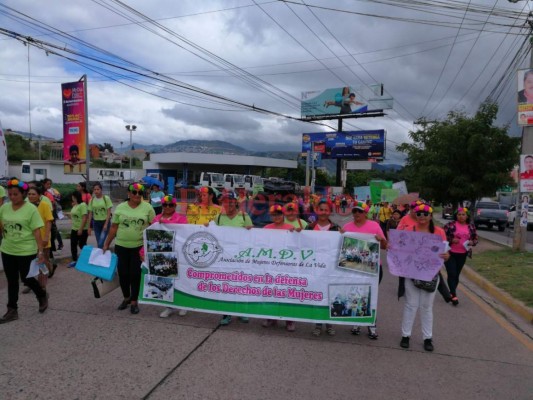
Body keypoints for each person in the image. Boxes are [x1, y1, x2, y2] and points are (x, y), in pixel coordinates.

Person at [397, 203, 450, 352]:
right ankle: (405, 335)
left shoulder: (439, 232)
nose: (421, 216)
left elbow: (445, 253)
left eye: (425, 214)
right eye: (418, 213)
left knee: (426, 307)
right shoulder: (408, 230)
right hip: (412, 273)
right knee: (410, 305)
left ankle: (427, 338)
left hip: (431, 274)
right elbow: (400, 248)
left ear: (430, 216)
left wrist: (446, 256)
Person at [103, 183, 155, 314]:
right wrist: (106, 243)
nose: (137, 195)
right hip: (121, 246)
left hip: (138, 247)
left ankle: (134, 301)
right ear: (129, 193)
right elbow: (114, 227)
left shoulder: (148, 208)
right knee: (123, 274)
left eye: (140, 193)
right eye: (134, 192)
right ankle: (126, 298)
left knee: (135, 274)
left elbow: (154, 227)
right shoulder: (120, 207)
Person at [0, 179, 48, 323]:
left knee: (26, 278)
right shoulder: (4, 208)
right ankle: (12, 310)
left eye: (16, 194)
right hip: (7, 249)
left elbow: (37, 232)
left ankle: (41, 294)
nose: (13, 197)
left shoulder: (31, 209)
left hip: (26, 250)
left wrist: (40, 252)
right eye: (10, 194)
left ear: (23, 194)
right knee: (12, 280)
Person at [342, 201, 387, 339]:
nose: (357, 214)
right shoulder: (347, 227)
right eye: (355, 211)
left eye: (360, 211)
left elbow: (385, 245)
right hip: (353, 265)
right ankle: (357, 322)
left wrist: (380, 240)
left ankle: (371, 324)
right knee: (356, 293)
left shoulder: (374, 226)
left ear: (365, 213)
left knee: (370, 295)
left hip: (372, 266)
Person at [216, 192, 253, 326]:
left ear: (236, 202)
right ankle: (226, 314)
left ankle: (242, 312)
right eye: (226, 201)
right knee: (226, 286)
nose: (229, 203)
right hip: (224, 258)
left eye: (231, 201)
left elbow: (253, 235)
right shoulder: (219, 217)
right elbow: (213, 233)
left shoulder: (244, 216)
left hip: (240, 257)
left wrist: (250, 229)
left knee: (241, 284)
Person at [306, 199, 340, 337]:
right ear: (317, 210)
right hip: (315, 267)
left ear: (330, 211)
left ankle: (329, 324)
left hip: (330, 268)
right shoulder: (309, 227)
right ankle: (318, 324)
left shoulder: (336, 228)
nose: (323, 212)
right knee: (317, 295)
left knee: (330, 295)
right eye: (321, 209)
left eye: (326, 210)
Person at [151, 195, 188, 319]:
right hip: (162, 254)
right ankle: (169, 307)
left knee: (180, 280)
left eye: (170, 205)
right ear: (162, 206)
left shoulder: (182, 219)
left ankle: (183, 304)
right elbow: (150, 236)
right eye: (165, 205)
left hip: (178, 253)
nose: (167, 207)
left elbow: (184, 233)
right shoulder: (156, 218)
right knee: (165, 280)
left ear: (174, 206)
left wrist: (165, 223)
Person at [262, 204, 296, 331]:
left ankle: (289, 320)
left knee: (286, 292)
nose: (277, 217)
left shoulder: (290, 228)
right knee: (271, 291)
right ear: (271, 216)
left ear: (283, 215)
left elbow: (297, 245)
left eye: (279, 214)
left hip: (286, 266)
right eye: (274, 214)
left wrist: (297, 233)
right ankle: (271, 318)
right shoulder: (266, 228)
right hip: (270, 266)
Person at [443, 207, 478, 306]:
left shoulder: (471, 226)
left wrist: (472, 242)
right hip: (450, 253)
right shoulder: (450, 225)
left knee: (457, 274)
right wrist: (451, 239)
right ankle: (453, 295)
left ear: (467, 216)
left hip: (463, 254)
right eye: (459, 214)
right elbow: (441, 236)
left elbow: (475, 239)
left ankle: (451, 291)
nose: (461, 216)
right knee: (452, 273)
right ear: (456, 215)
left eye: (463, 215)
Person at [26, 185, 54, 291]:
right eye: (29, 194)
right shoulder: (26, 206)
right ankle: (31, 284)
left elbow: (49, 221)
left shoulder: (44, 205)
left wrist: (46, 237)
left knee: (42, 263)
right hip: (29, 240)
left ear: (39, 195)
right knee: (30, 263)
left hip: (43, 239)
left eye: (33, 194)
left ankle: (42, 287)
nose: (31, 196)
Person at [87, 182, 113, 249]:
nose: (96, 191)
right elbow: (90, 214)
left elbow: (109, 212)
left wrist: (106, 224)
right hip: (96, 223)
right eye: (95, 189)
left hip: (105, 222)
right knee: (99, 242)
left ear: (101, 190)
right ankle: (103, 255)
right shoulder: (92, 200)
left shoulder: (106, 198)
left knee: (101, 242)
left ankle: (103, 255)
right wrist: (89, 227)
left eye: (98, 189)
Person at [68, 191, 88, 268]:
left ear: (75, 197)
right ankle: (74, 260)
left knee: (82, 244)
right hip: (74, 228)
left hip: (82, 229)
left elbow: (84, 217)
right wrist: (67, 215)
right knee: (73, 244)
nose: (72, 198)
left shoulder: (82, 205)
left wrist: (81, 229)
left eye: (72, 197)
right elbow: (74, 216)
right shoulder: (75, 205)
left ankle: (87, 258)